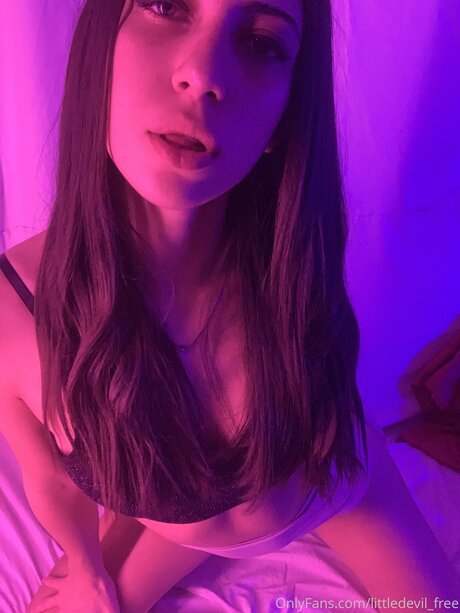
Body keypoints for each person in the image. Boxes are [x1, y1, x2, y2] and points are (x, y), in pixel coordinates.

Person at [0, 1, 457, 611]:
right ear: (100, 44)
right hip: (180, 524)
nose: (202, 74)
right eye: (165, 4)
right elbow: (50, 478)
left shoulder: (287, 262)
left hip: (333, 485)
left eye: (263, 43)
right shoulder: (17, 309)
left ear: (284, 118)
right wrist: (86, 567)